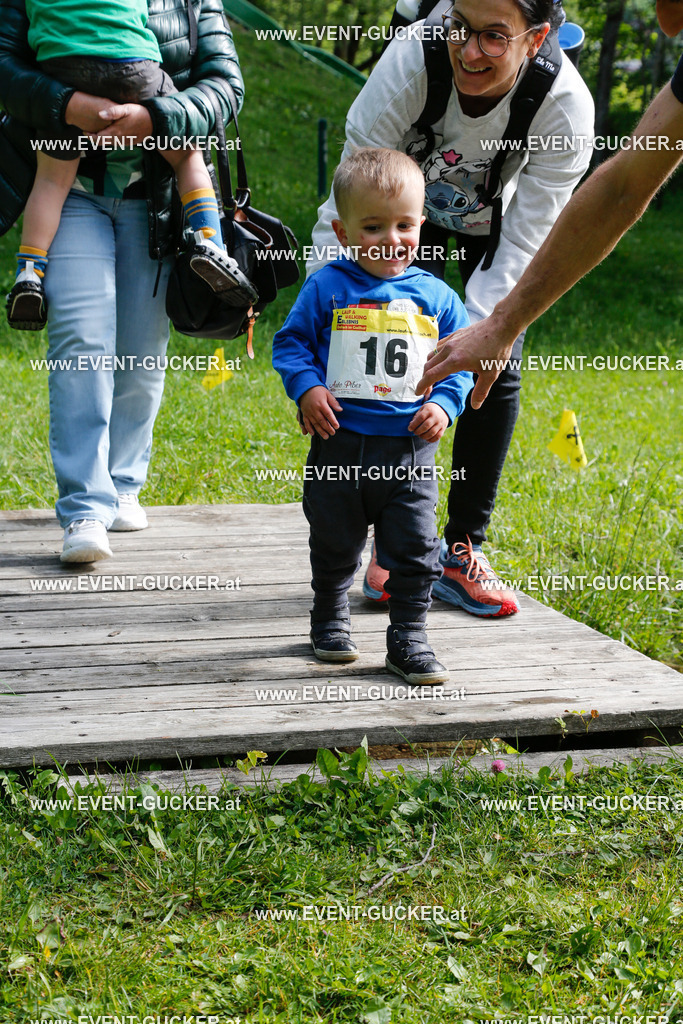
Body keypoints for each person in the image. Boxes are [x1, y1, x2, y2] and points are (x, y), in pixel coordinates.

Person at [308, 0, 595, 618]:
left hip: (495, 223)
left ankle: (462, 548)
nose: (468, 51)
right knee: (385, 334)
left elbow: (527, 240)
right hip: (397, 219)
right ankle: (394, 539)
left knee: (500, 356)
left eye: (495, 37)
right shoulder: (413, 56)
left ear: (537, 37)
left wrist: (489, 332)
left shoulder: (565, 109)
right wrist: (328, 304)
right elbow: (355, 183)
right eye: (462, 28)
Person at [0, 0, 243, 562]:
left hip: (152, 200)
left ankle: (125, 483)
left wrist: (156, 119)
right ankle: (84, 507)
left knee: (141, 348)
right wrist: (67, 104)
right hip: (70, 192)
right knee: (82, 339)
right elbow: (5, 67)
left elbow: (226, 86)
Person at [273, 148, 473, 685]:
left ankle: (409, 636)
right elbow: (290, 343)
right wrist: (307, 387)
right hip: (339, 443)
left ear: (422, 224)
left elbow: (460, 364)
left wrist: (444, 403)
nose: (392, 238)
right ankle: (329, 616)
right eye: (373, 225)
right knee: (334, 539)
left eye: (405, 224)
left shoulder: (438, 298)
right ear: (342, 231)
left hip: (409, 453)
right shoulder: (326, 288)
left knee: (415, 546)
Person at [417, 1, 683, 402]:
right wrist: (499, 325)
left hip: (493, 215)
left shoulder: (565, 104)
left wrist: (499, 324)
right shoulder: (415, 53)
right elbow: (620, 191)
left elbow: (544, 225)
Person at [6, 0, 251, 334]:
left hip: (60, 69)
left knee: (49, 180)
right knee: (187, 154)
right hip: (130, 65)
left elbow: (225, 88)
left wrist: (68, 104)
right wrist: (159, 116)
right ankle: (209, 242)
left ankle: (29, 272)